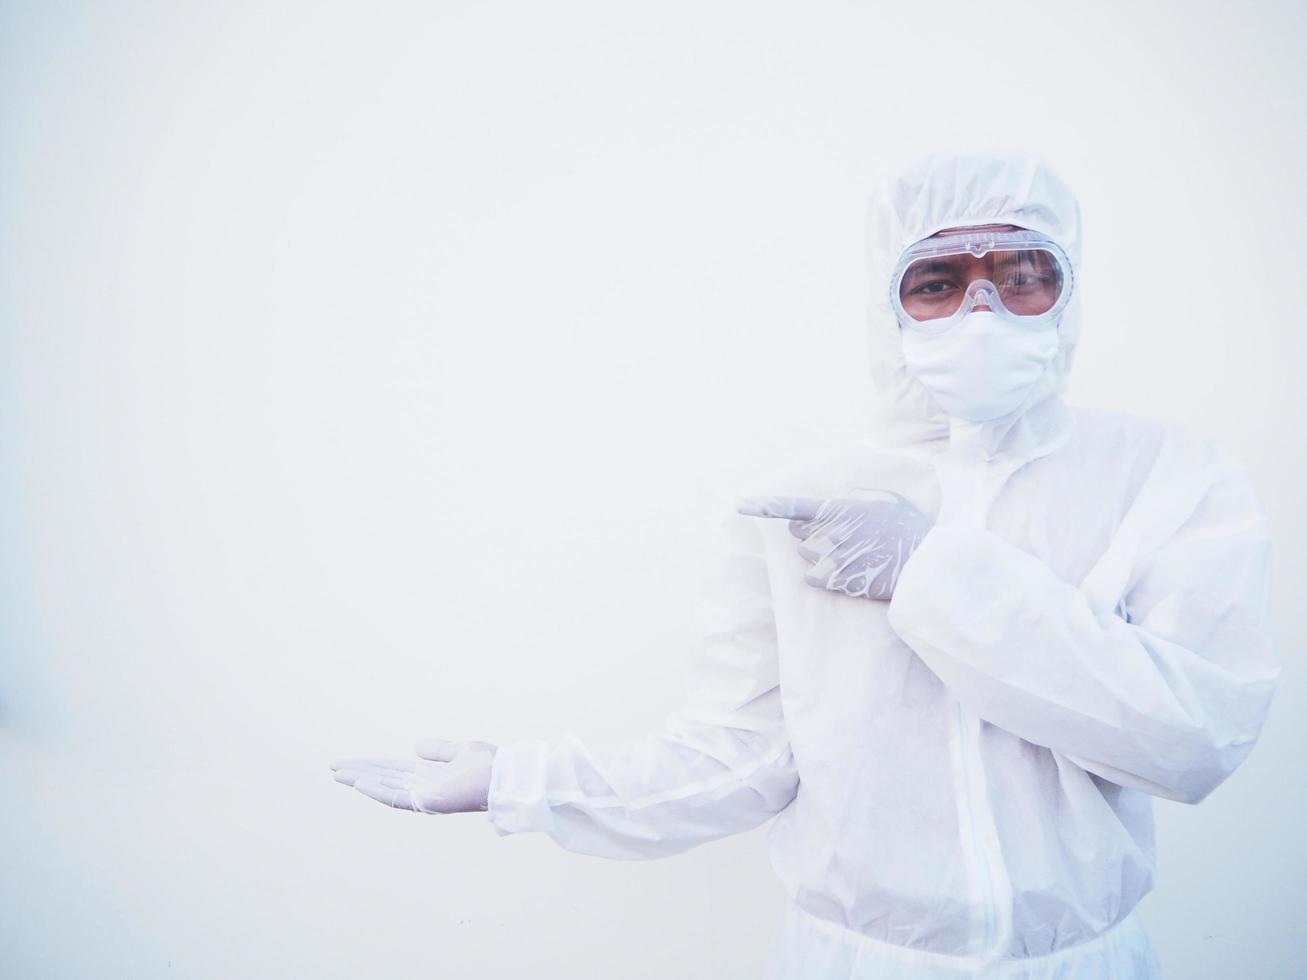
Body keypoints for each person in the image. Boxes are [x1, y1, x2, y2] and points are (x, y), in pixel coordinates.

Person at [330, 151, 1280, 978]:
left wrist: (930, 575)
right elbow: (742, 762)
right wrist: (520, 781)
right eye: (938, 279)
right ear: (889, 304)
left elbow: (1191, 738)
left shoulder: (1165, 478)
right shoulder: (802, 503)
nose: (981, 307)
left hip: (1089, 963)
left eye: (1024, 273)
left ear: (1068, 294)